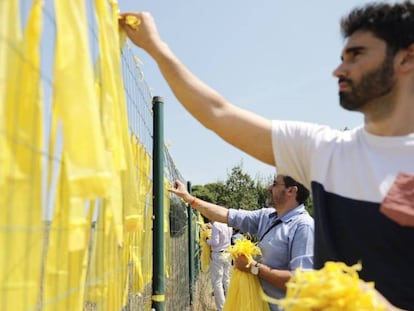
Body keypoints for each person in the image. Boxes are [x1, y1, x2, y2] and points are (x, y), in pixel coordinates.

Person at [119, 2, 414, 309]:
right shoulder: (323, 150)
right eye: (342, 57)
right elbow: (218, 113)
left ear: (406, 57)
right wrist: (156, 47)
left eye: (357, 55)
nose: (339, 69)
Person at [170, 175, 314, 311]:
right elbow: (225, 215)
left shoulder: (303, 226)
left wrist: (253, 267)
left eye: (275, 184)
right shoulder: (267, 216)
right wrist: (189, 198)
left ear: (291, 190)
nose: (269, 187)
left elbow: (300, 282)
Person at [205, 220, 232, 311]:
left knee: (217, 282)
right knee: (226, 279)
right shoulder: (228, 224)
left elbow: (215, 242)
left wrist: (207, 240)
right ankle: (230, 303)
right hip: (228, 253)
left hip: (218, 254)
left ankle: (221, 308)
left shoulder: (216, 225)